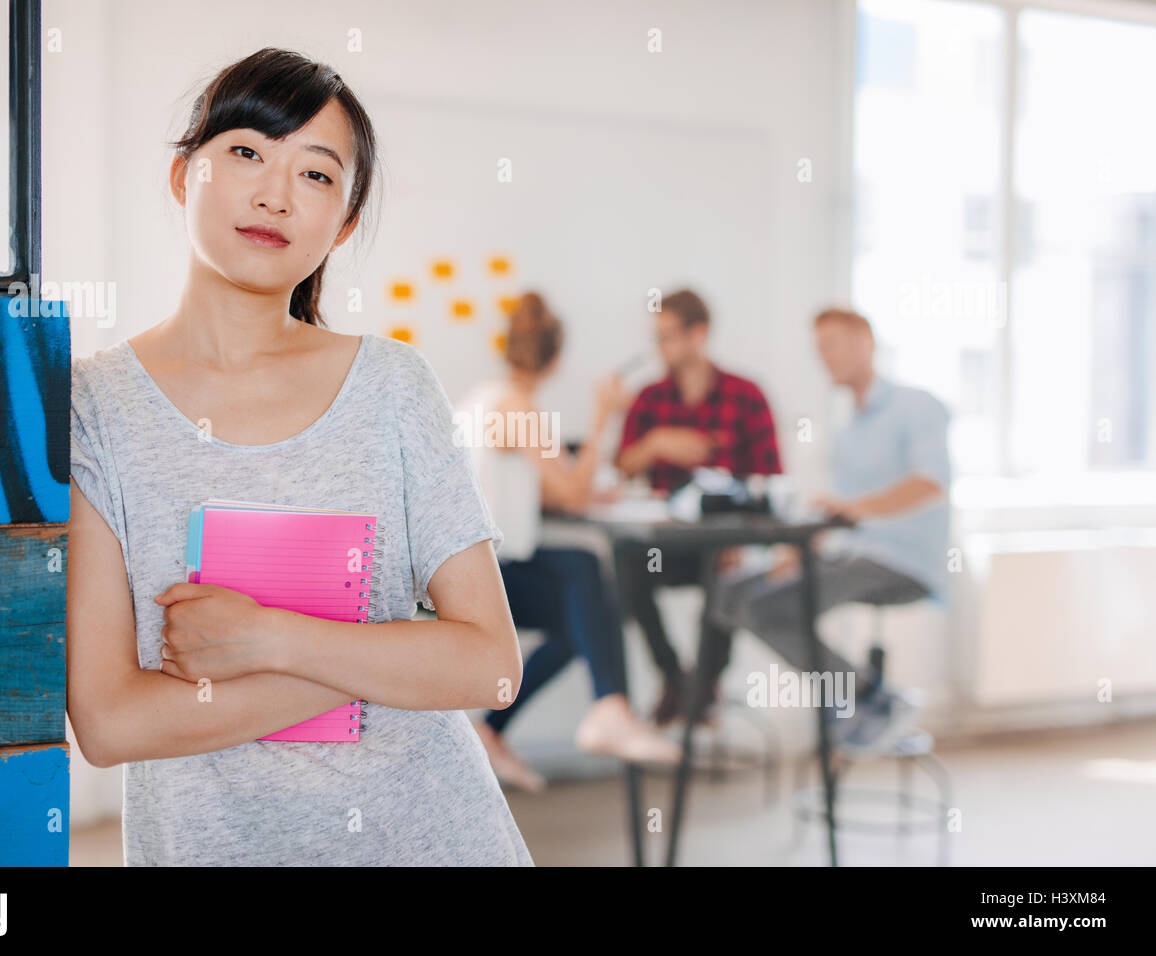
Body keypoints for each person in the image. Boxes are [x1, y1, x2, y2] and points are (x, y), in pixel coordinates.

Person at [66, 48, 534, 865]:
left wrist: (272, 639)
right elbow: (111, 723)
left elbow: (491, 668)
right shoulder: (93, 407)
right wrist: (389, 656)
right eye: (246, 152)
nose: (276, 194)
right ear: (184, 174)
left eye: (317, 176)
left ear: (342, 224)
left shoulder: (392, 386)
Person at [456, 293, 684, 793]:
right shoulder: (516, 408)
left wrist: (580, 490)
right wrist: (603, 414)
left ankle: (494, 731)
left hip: (476, 569)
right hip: (481, 579)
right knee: (584, 569)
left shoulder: (484, 398)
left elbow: (543, 492)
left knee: (580, 621)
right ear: (555, 359)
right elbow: (575, 494)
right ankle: (610, 708)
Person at [699, 307, 951, 754]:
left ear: (866, 341)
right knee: (729, 593)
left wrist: (854, 509)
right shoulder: (849, 430)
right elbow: (843, 516)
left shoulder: (916, 405)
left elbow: (931, 483)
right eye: (819, 350)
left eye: (832, 345)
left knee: (767, 610)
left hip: (901, 560)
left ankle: (865, 695)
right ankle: (700, 704)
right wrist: (797, 551)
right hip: (849, 552)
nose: (825, 358)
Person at [612, 289, 784, 725]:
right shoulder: (650, 399)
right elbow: (621, 469)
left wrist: (743, 539)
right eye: (657, 337)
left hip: (726, 546)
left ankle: (703, 686)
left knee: (726, 576)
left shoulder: (746, 396)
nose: (660, 347)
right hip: (666, 549)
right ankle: (676, 679)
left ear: (698, 333)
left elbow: (771, 481)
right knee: (627, 565)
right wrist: (654, 445)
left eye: (668, 336)